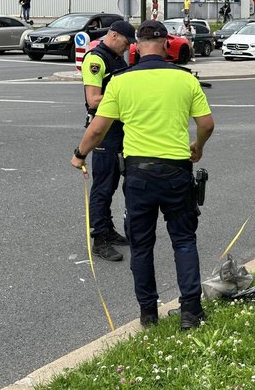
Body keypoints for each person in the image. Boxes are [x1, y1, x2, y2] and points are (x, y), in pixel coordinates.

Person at [71, 20, 214, 330]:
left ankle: (148, 314)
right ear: (166, 44)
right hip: (177, 172)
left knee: (141, 245)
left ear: (135, 45)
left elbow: (97, 128)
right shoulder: (185, 79)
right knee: (184, 241)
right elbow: (207, 124)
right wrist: (198, 147)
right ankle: (191, 311)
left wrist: (79, 154)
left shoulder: (122, 82)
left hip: (139, 176)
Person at [80, 20, 137, 262]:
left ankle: (109, 229)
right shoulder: (96, 59)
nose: (127, 47)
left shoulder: (116, 57)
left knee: (113, 183)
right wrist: (123, 95)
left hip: (119, 128)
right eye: (125, 42)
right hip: (104, 131)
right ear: (113, 35)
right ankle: (99, 238)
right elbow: (93, 100)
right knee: (103, 186)